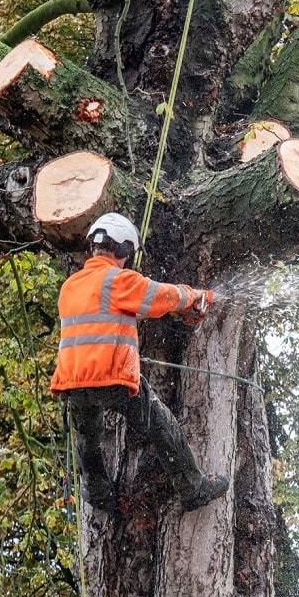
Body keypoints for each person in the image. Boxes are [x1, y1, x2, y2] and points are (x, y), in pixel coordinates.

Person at [50, 212, 226, 510]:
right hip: (112, 377)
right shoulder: (118, 279)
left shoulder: (71, 285)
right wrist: (194, 296)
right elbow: (162, 296)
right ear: (123, 249)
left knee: (88, 440)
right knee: (160, 423)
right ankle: (192, 489)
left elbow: (111, 312)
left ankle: (98, 496)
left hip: (73, 382)